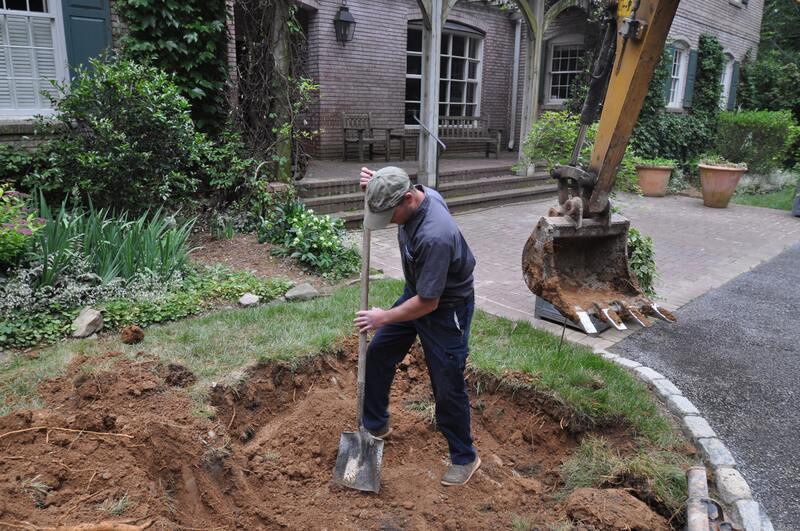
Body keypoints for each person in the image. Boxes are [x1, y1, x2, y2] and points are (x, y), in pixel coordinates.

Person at [353, 165, 481, 486]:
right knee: (380, 352)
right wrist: (377, 187)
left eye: (389, 215)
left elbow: (428, 303)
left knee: (447, 384)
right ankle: (376, 424)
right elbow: (392, 183)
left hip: (444, 310)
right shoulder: (414, 195)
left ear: (409, 200)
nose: (387, 224)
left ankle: (464, 457)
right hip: (419, 292)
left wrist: (382, 317)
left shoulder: (434, 235)